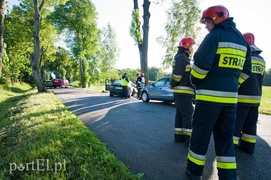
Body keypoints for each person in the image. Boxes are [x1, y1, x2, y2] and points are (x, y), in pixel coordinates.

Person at [186, 5, 252, 180]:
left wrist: (195, 81)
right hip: (230, 101)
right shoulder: (242, 41)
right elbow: (247, 71)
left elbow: (200, 65)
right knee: (225, 139)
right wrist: (232, 84)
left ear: (216, 19)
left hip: (208, 99)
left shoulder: (214, 36)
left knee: (200, 136)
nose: (206, 26)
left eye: (207, 21)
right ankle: (228, 176)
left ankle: (193, 173)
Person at [233, 33, 266, 154]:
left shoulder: (244, 56)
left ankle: (231, 147)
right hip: (256, 98)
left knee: (236, 124)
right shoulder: (261, 59)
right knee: (251, 125)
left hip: (242, 97)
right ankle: (248, 147)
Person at [168, 37, 195, 145]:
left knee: (180, 114)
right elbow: (177, 75)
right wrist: (172, 83)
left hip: (181, 92)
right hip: (184, 92)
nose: (192, 48)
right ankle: (189, 140)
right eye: (191, 46)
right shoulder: (182, 58)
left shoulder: (181, 57)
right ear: (186, 46)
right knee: (188, 115)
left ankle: (179, 137)